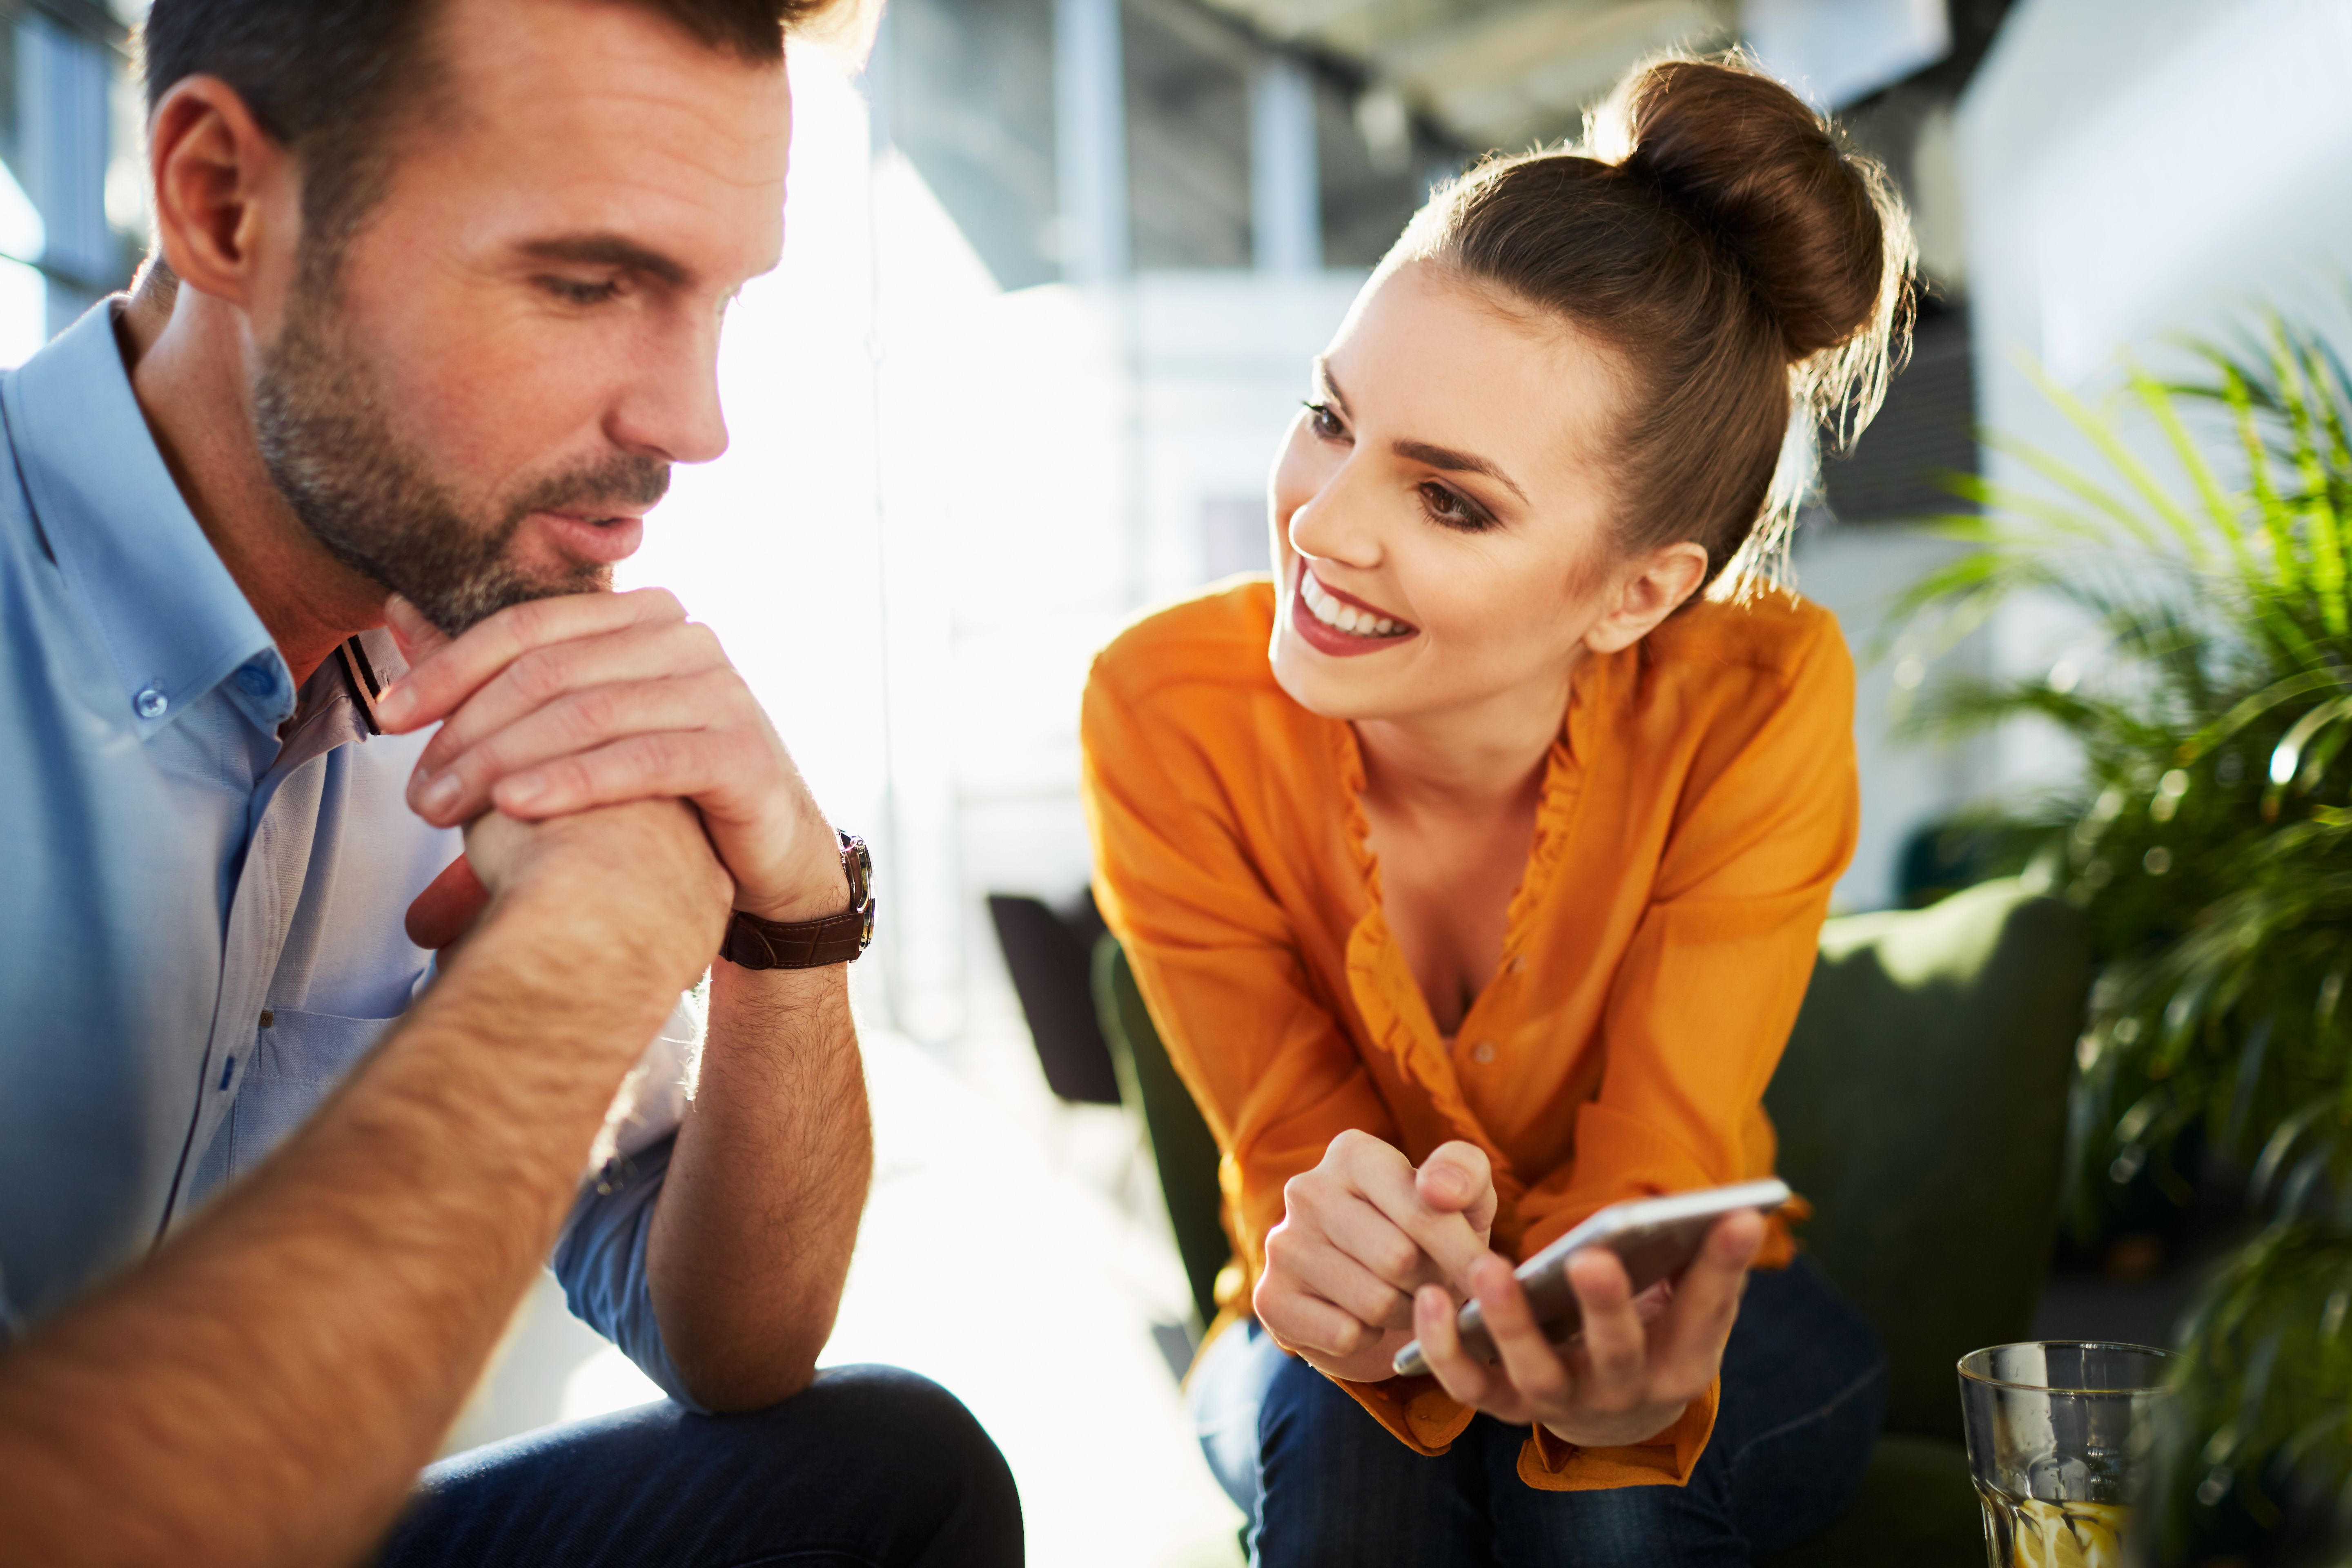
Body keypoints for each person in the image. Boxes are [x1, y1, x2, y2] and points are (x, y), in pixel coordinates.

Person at [0, 2, 1021, 1564]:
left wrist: (791, 922)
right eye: (587, 284)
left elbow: (737, 1347)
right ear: (223, 204)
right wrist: (587, 949)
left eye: (721, 301)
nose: (695, 423)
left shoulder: (474, 627)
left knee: (893, 1474)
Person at [1081, 52, 1915, 1567]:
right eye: (1328, 420)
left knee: (1610, 1505)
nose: (1321, 528)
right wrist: (1352, 1277)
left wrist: (1607, 1402)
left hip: (1686, 1307)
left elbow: (1658, 1170)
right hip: (1312, 1329)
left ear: (1639, 591)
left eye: (1449, 501)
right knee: (1350, 1427)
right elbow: (1293, 1160)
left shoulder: (1757, 692)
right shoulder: (1163, 708)